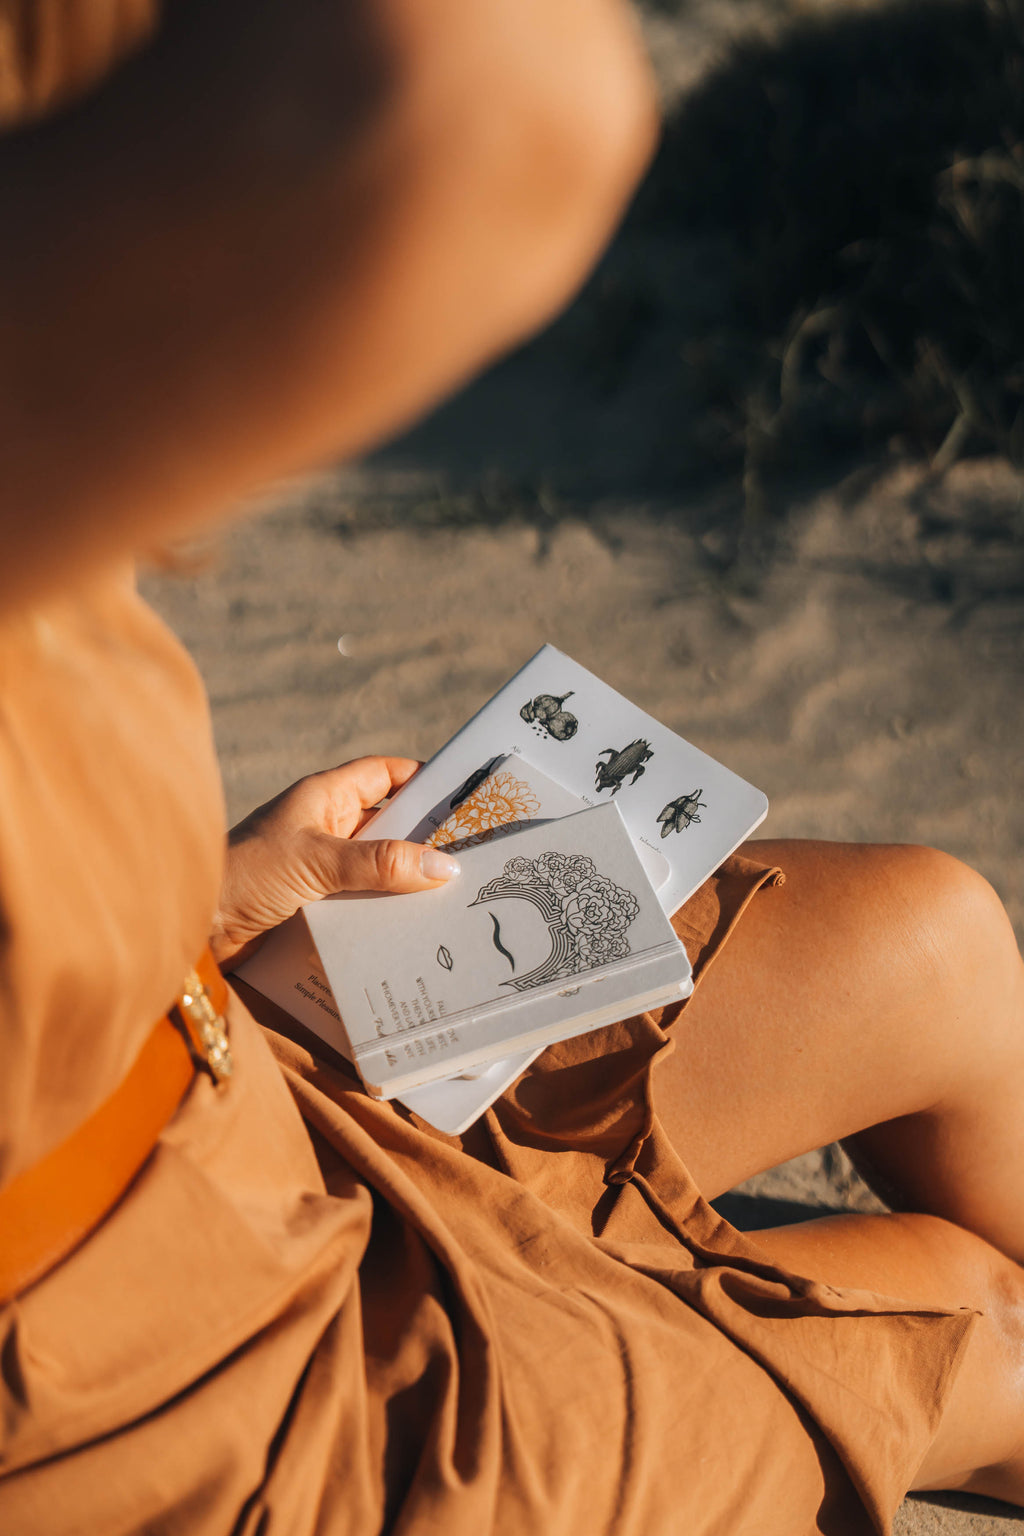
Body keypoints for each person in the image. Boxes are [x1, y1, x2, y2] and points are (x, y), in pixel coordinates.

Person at [1, 3, 1023, 1532]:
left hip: (223, 1077)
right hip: (183, 1409)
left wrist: (186, 912)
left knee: (936, 953)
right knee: (977, 1328)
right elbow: (478, 92)